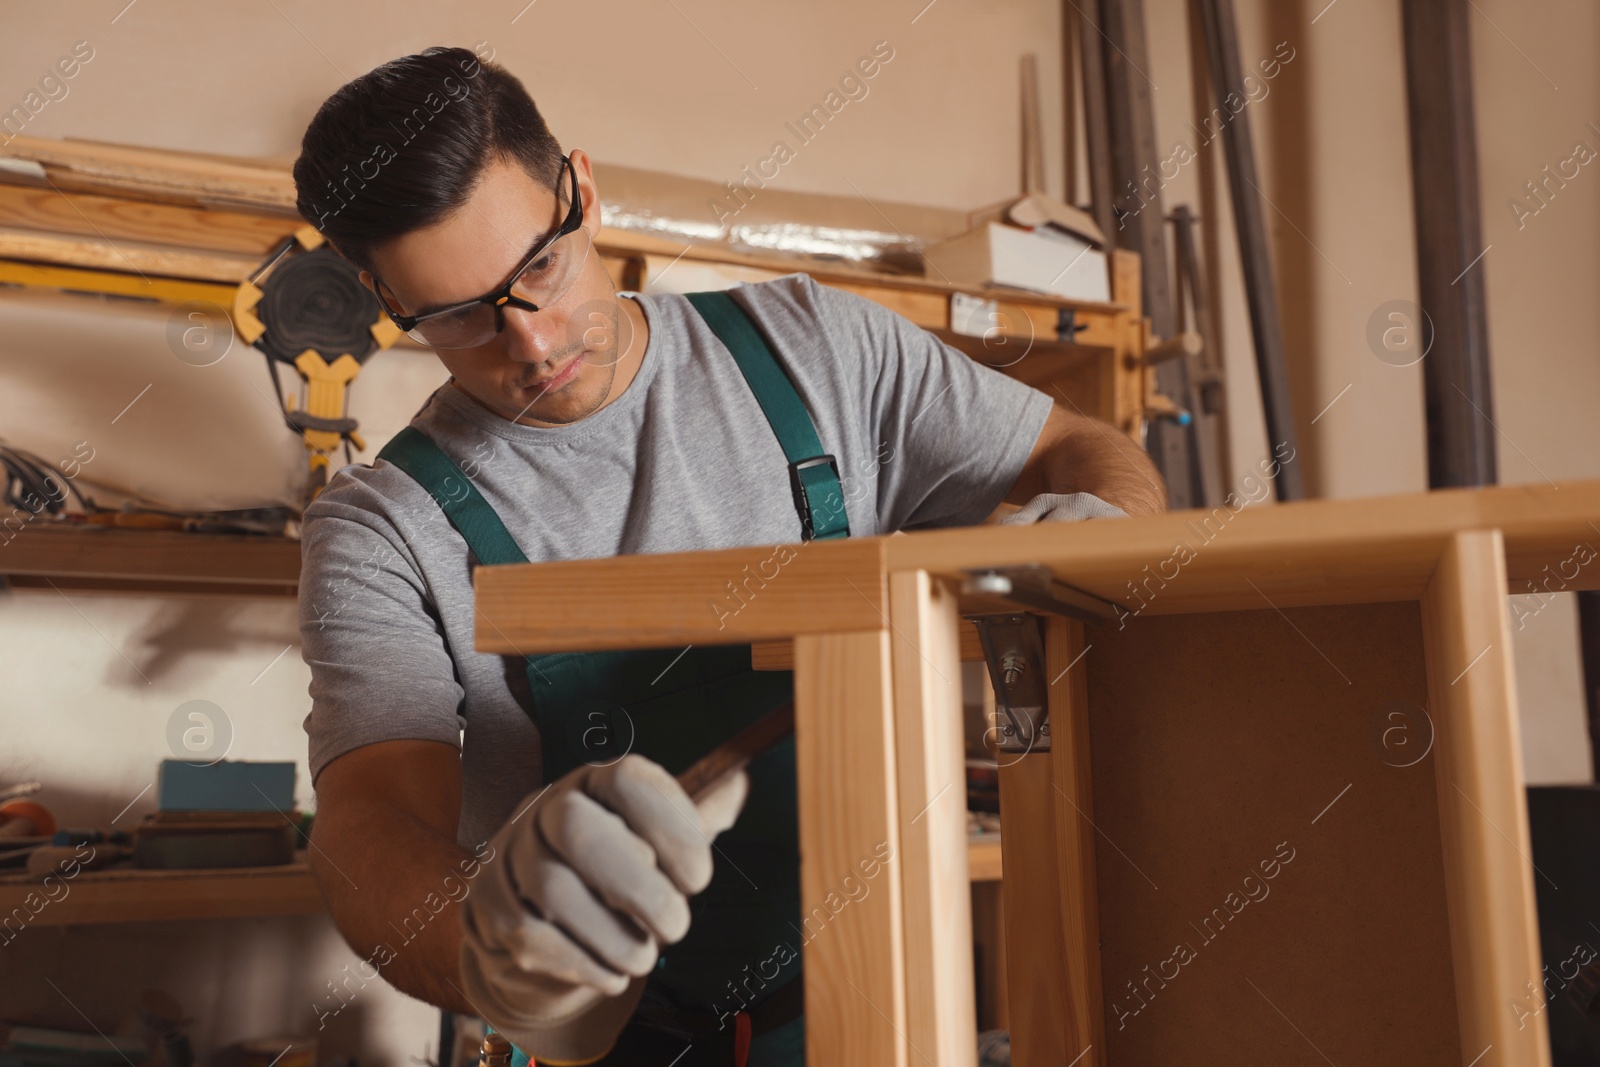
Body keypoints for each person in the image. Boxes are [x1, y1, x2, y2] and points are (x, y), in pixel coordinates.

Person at [292, 45, 1165, 1067]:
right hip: (617, 1039)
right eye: (456, 316)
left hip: (896, 1003)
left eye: (539, 267)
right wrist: (496, 948)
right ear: (382, 299)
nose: (528, 341)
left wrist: (1110, 520)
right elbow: (367, 829)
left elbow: (1085, 445)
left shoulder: (816, 348)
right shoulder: (383, 524)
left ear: (581, 189)